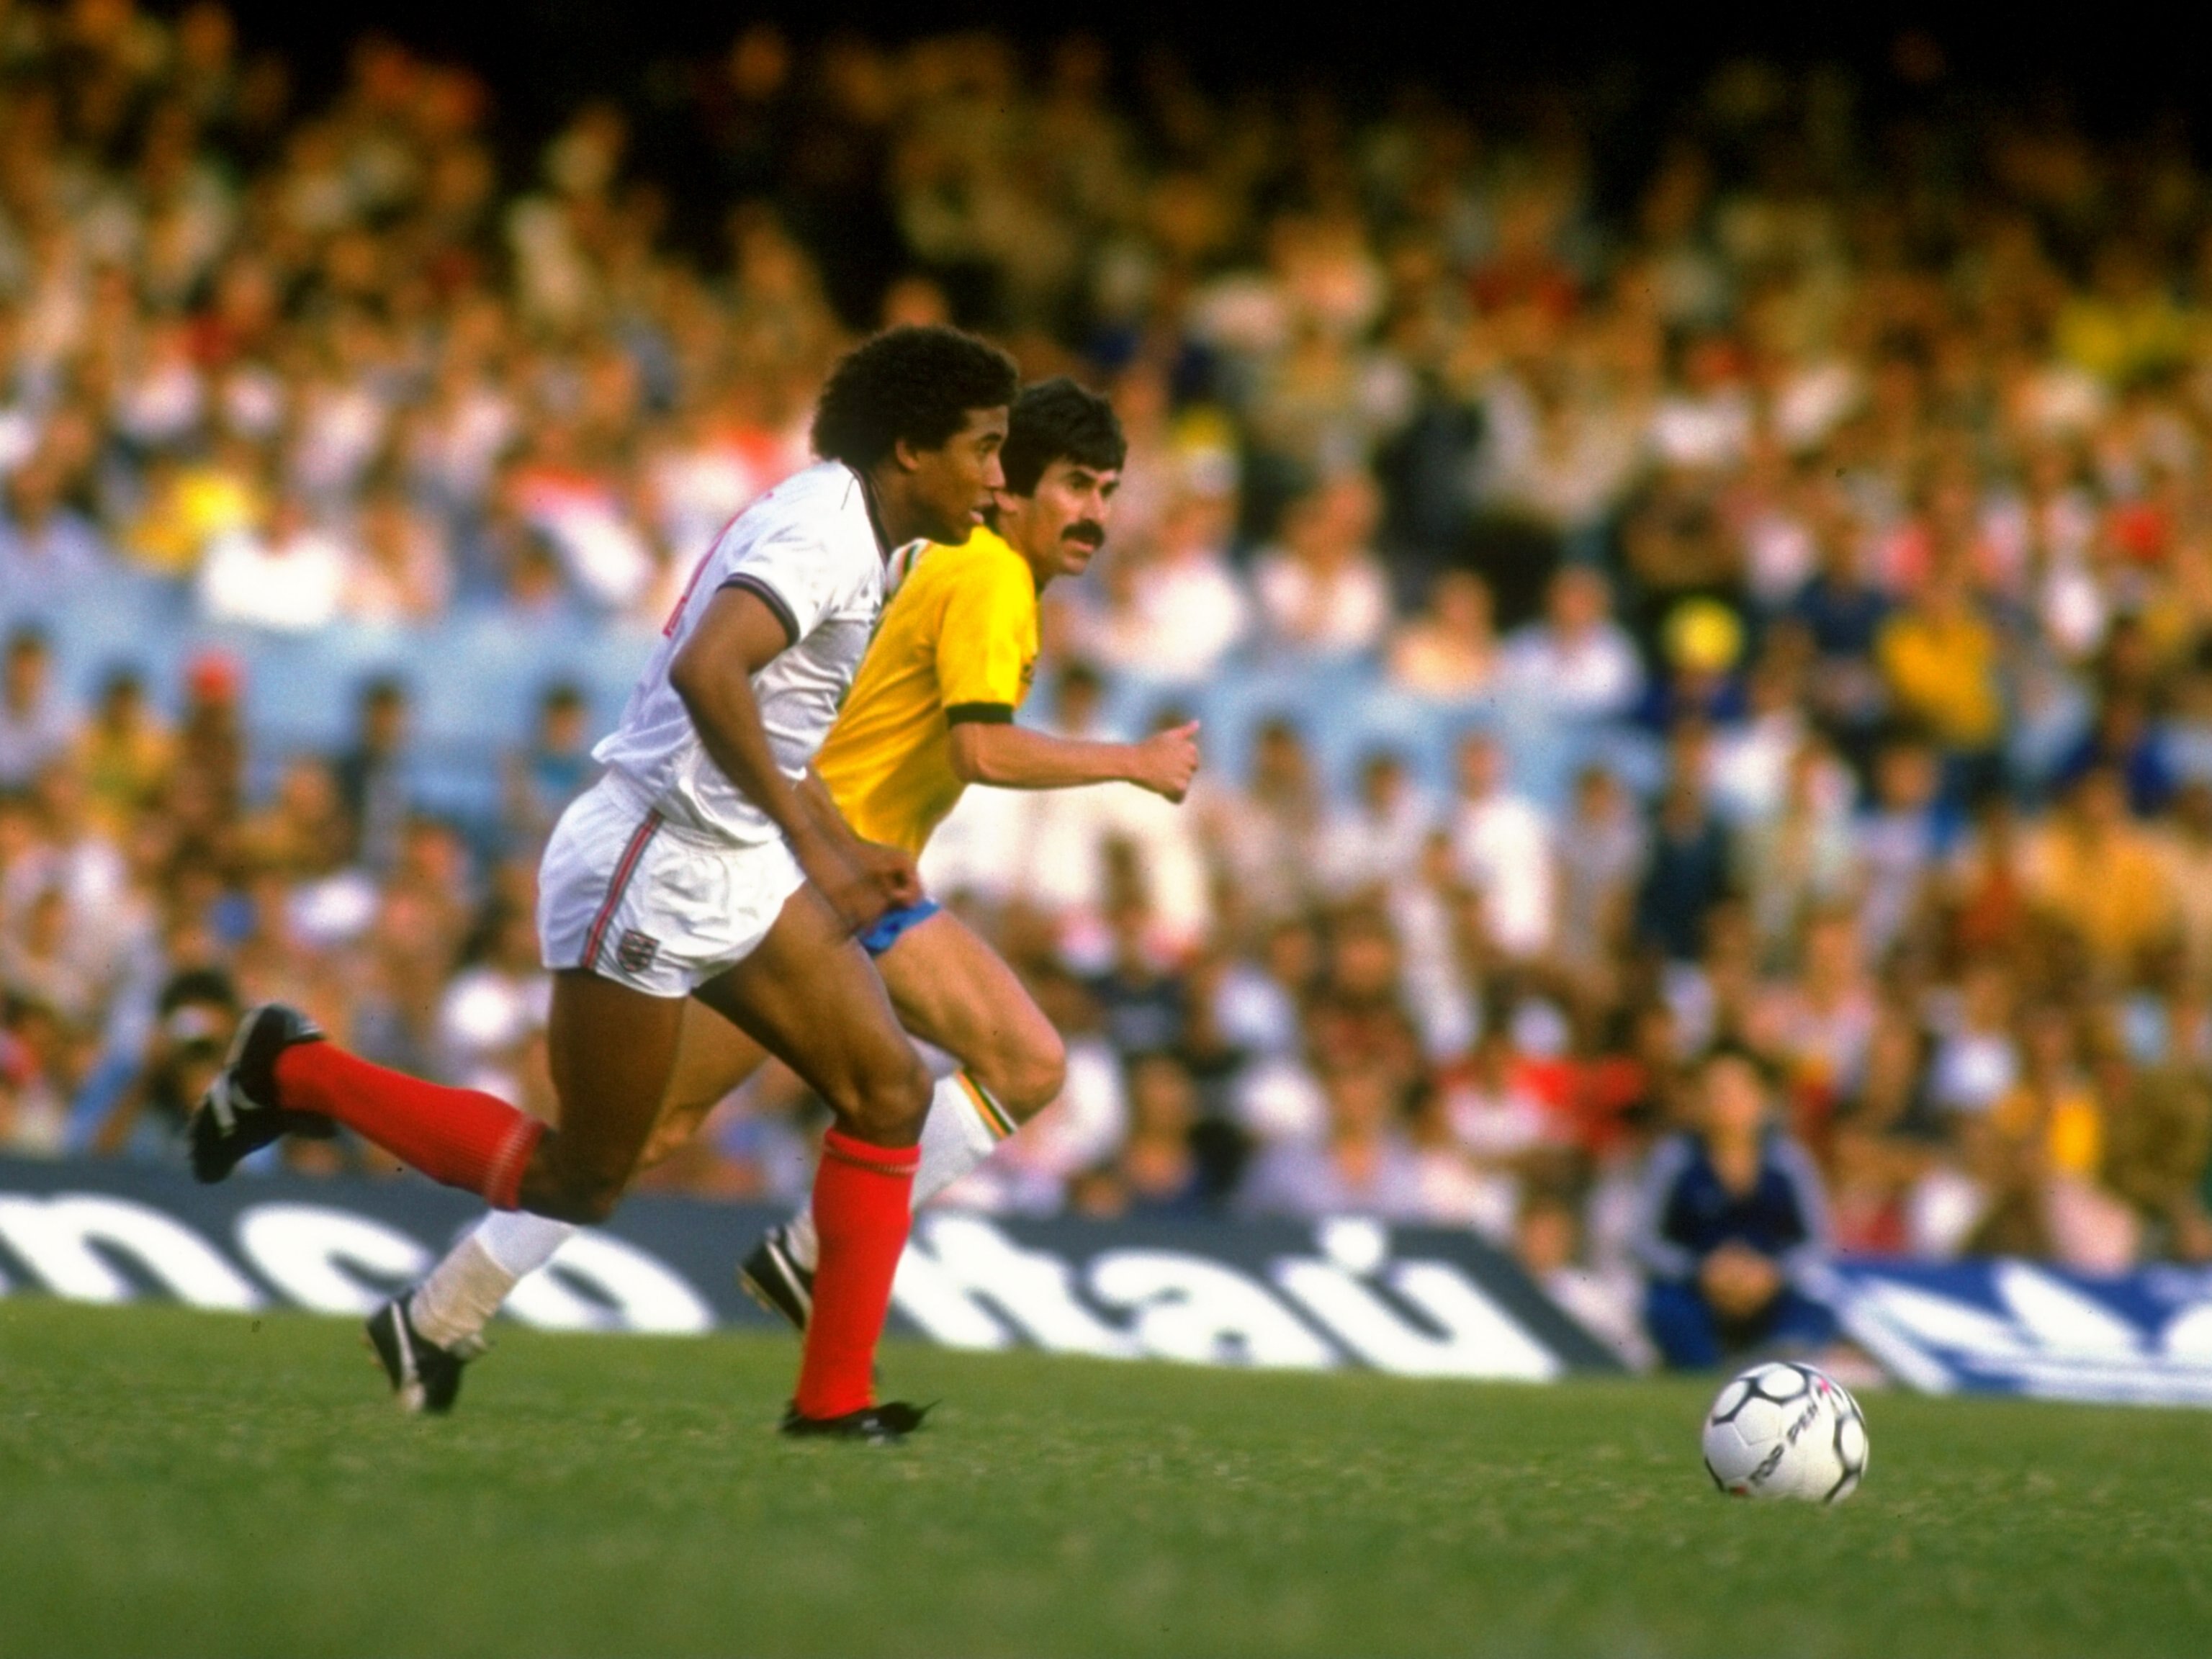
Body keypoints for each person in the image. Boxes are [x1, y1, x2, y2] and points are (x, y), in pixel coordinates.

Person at [188, 325, 1022, 1442]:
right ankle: (295, 1072)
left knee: (888, 1090)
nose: (999, 478)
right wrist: (816, 846)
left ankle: (832, 1403)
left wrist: (830, 837)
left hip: (735, 856)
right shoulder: (825, 534)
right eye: (986, 448)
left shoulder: (870, 534)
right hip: (651, 859)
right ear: (911, 450)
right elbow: (710, 671)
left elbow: (774, 721)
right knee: (584, 1179)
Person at [359, 377, 1200, 1408]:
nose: (1096, 515)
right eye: (1076, 485)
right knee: (995, 1067)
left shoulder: (951, 559)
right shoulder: (988, 578)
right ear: (1011, 488)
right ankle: (785, 1271)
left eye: (1109, 491)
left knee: (668, 1130)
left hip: (837, 864)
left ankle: (446, 1312)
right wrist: (1130, 760)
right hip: (814, 871)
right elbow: (977, 748)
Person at [1630, 1043, 1836, 1369]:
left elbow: (1818, 1243)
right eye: (1714, 1091)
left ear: (1762, 1100)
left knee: (1814, 1310)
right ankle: (1706, 1369)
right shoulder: (1675, 1159)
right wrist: (1700, 1269)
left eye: (1738, 1090)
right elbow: (1644, 1240)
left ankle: (1774, 1362)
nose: (1725, 1101)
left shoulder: (1789, 1161)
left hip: (1770, 1291)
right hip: (1697, 1291)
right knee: (1666, 1309)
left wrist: (1773, 1273)